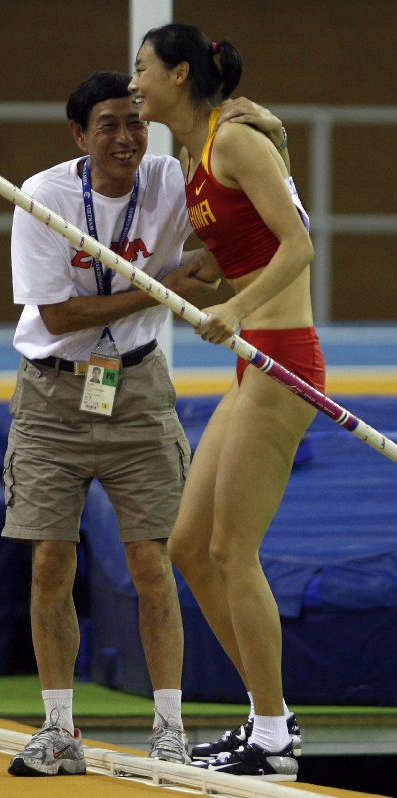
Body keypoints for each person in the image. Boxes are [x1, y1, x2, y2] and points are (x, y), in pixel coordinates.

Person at [2, 69, 292, 778]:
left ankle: (168, 727)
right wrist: (157, 289)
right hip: (51, 398)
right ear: (81, 135)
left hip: (136, 392)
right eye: (110, 125)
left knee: (152, 563)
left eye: (136, 122)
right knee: (49, 564)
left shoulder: (171, 180)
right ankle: (58, 730)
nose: (128, 137)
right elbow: (61, 316)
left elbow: (242, 224)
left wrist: (269, 136)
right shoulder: (44, 198)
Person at [129, 24, 325, 782]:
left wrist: (239, 310)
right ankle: (266, 715)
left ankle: (274, 739)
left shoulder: (236, 140)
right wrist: (216, 267)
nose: (134, 81)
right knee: (189, 546)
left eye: (143, 69)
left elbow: (301, 243)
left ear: (180, 73)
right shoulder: (194, 151)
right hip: (253, 363)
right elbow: (253, 237)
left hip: (281, 360)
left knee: (229, 550)